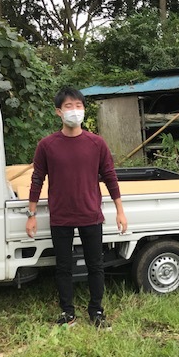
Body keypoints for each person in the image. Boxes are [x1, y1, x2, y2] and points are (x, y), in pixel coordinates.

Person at [26, 86, 128, 328]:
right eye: (69, 106)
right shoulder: (47, 145)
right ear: (58, 112)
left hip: (91, 214)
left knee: (96, 265)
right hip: (60, 216)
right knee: (63, 267)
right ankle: (67, 312)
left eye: (79, 105)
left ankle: (97, 311)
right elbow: (37, 179)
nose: (75, 110)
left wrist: (120, 210)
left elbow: (110, 177)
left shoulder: (97, 144)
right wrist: (31, 214)